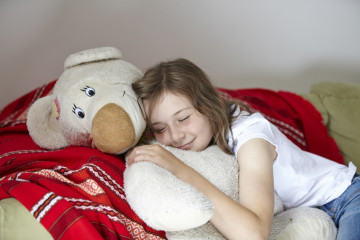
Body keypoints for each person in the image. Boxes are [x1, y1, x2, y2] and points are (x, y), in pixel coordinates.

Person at [126, 58, 359, 240]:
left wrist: (179, 169)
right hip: (315, 215)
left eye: (184, 118)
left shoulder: (250, 135)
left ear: (207, 106)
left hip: (348, 199)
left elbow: (254, 234)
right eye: (160, 128)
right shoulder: (205, 137)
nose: (175, 136)